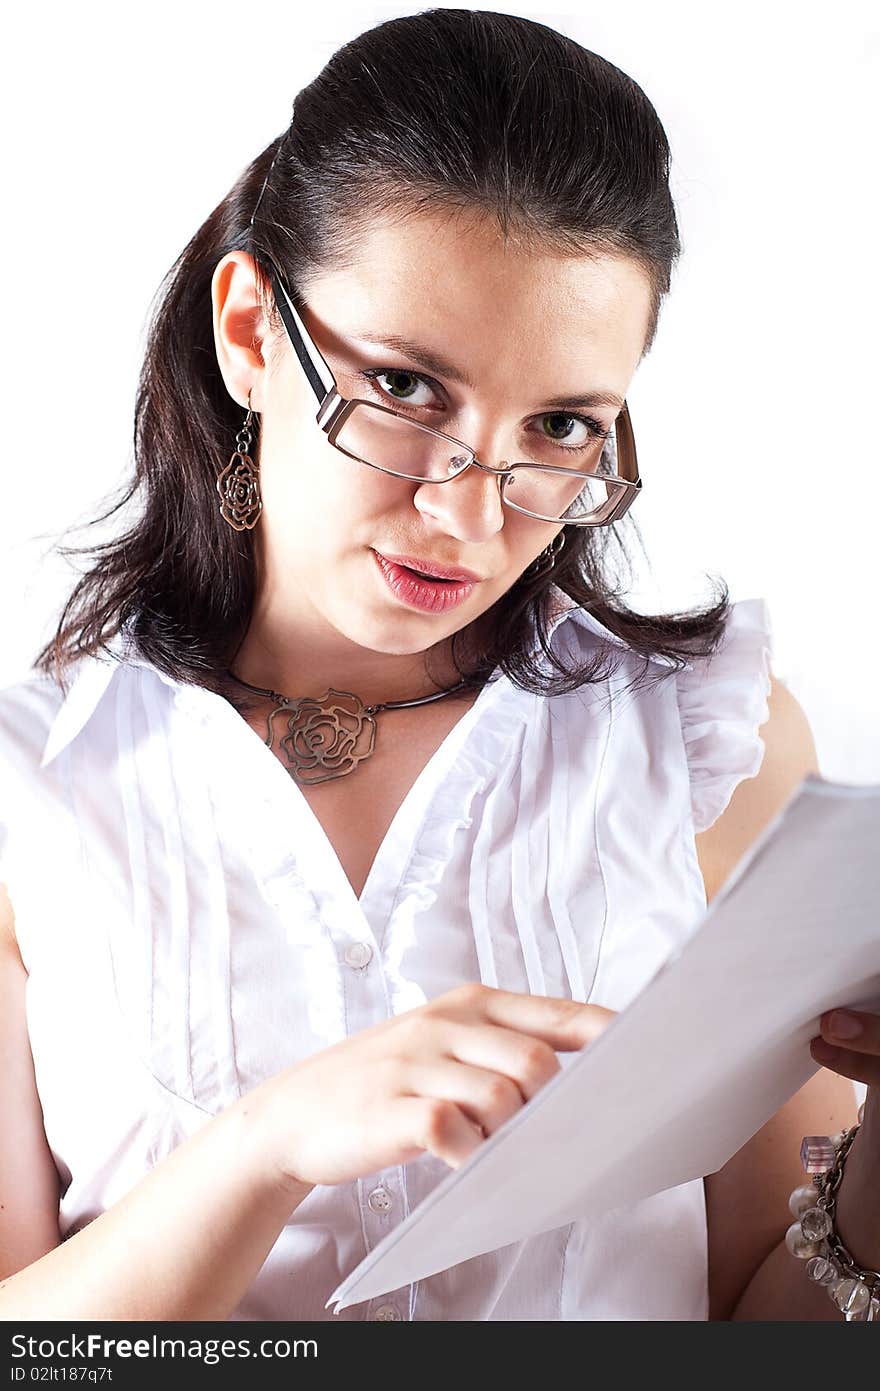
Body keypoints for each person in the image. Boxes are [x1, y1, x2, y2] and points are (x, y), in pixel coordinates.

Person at [0, 8, 876, 1324]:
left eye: (562, 424)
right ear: (250, 333)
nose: (471, 515)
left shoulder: (715, 747)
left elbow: (770, 1320)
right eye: (408, 390)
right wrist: (267, 1147)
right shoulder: (34, 782)